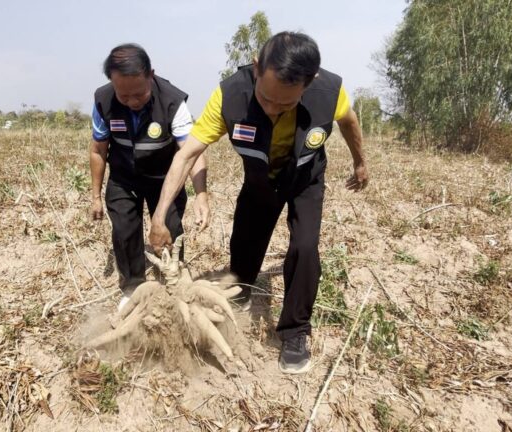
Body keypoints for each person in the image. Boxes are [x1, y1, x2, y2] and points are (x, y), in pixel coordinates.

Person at [148, 32, 368, 374]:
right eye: (265, 98)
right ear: (256, 68)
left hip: (305, 177)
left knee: (305, 248)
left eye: (285, 104)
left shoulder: (329, 92)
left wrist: (360, 162)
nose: (271, 109)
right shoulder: (230, 95)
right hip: (260, 179)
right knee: (244, 243)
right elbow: (187, 154)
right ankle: (241, 291)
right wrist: (159, 216)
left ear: (309, 83)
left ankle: (295, 331)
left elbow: (349, 121)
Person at [89, 44, 209, 309]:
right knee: (124, 230)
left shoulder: (172, 101)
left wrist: (201, 194)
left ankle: (173, 286)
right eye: (124, 96)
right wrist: (95, 196)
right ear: (112, 83)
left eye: (139, 94)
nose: (132, 102)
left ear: (151, 75)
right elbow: (98, 150)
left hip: (164, 179)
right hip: (124, 178)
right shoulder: (103, 100)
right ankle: (133, 289)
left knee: (170, 229)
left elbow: (192, 152)